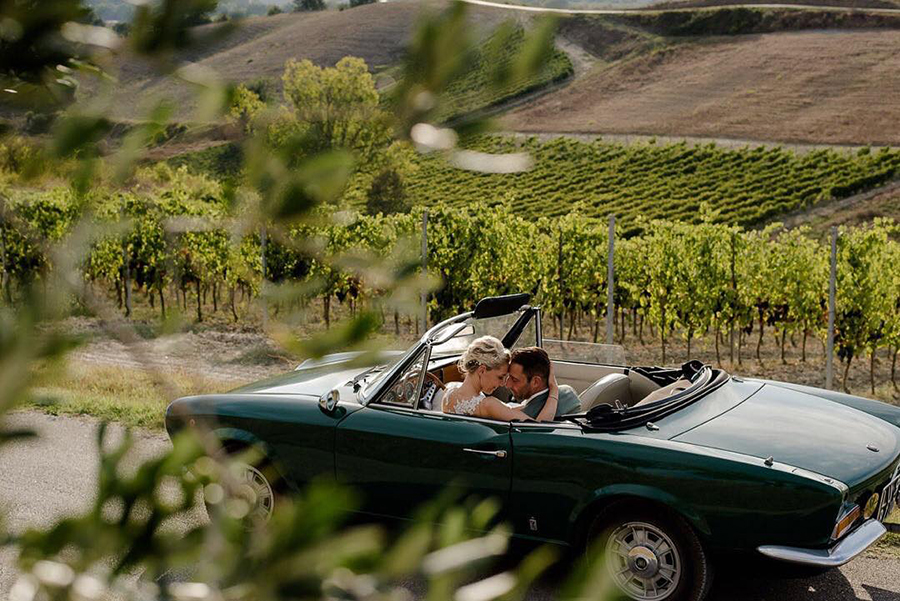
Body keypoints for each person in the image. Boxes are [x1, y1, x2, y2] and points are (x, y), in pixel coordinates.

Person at [442, 336, 559, 422]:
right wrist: (554, 391)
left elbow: (505, 409)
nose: (503, 384)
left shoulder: (450, 390)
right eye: (500, 377)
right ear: (482, 370)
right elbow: (539, 428)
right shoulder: (488, 405)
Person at [505, 347, 581, 419]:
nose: (507, 385)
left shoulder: (526, 416)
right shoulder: (568, 392)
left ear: (535, 382)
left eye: (514, 380)